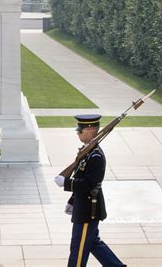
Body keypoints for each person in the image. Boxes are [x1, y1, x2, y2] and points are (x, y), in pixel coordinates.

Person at [54, 114, 126, 267]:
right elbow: (81, 177)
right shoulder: (87, 152)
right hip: (84, 206)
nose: (78, 133)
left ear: (91, 131)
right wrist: (72, 201)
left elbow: (88, 184)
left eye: (80, 130)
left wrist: (66, 182)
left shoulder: (95, 156)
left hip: (88, 210)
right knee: (93, 243)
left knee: (78, 248)